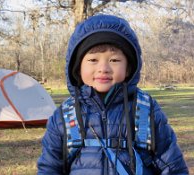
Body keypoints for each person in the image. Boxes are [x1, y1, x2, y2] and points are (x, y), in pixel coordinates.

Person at [37, 14, 189, 175]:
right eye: (93, 60)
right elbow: (49, 168)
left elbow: (173, 167)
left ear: (129, 67)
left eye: (114, 60)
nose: (103, 68)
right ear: (77, 67)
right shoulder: (64, 117)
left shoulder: (146, 111)